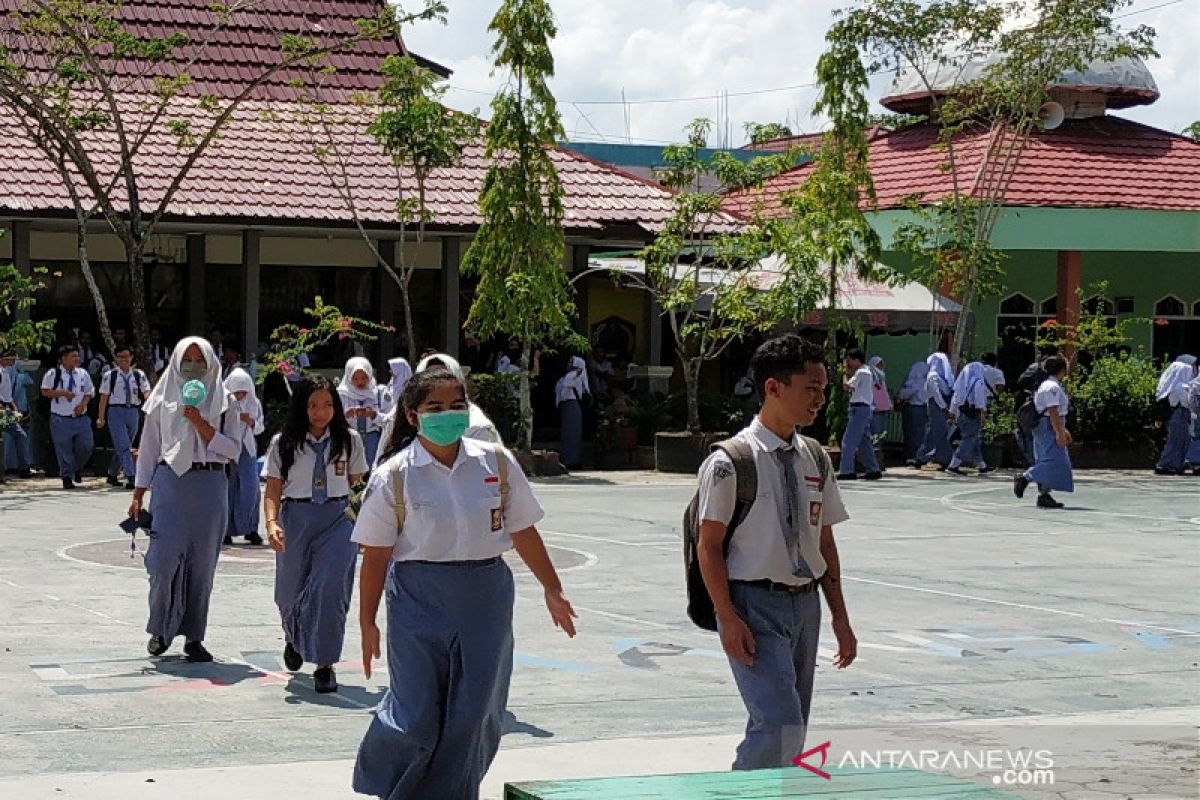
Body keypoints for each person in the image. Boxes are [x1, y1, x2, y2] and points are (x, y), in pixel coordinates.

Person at [350, 367, 577, 798]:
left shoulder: (495, 462)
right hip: (417, 595)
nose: (447, 414)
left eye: (456, 405)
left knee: (475, 713)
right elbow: (376, 554)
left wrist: (553, 588)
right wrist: (367, 622)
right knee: (415, 714)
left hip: (484, 595)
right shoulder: (394, 475)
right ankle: (387, 781)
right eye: (434, 407)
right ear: (413, 416)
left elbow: (524, 530)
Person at [695, 334, 856, 770]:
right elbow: (707, 545)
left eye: (824, 389)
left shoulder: (815, 458)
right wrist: (726, 616)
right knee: (777, 724)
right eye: (811, 388)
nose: (820, 399)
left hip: (805, 606)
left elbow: (823, 541)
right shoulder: (732, 461)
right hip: (753, 604)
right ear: (772, 388)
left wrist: (840, 617)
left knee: (794, 728)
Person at [128, 337, 244, 662]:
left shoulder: (226, 403)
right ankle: (160, 628)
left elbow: (233, 449)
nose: (193, 367)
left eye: (200, 361)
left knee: (202, 565)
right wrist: (139, 493)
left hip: (209, 484)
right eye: (187, 360)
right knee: (163, 561)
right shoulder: (161, 400)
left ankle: (194, 636)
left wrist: (201, 424)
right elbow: (149, 449)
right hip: (170, 483)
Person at [263, 375, 368, 693]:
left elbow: (359, 485)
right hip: (296, 518)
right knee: (289, 592)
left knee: (330, 589)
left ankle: (325, 663)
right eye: (312, 405)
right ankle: (293, 637)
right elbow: (273, 490)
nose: (320, 412)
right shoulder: (283, 443)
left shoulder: (350, 441)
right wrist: (271, 522)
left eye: (327, 404)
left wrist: (361, 522)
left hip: (339, 519)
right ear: (302, 407)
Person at [374, 353, 500, 466]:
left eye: (444, 375)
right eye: (435, 408)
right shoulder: (400, 419)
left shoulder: (479, 427)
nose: (438, 382)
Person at [1014, 355, 1073, 509]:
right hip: (1048, 426)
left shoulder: (1048, 385)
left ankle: (1044, 495)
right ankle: (1025, 478)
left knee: (1046, 460)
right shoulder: (1051, 387)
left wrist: (1062, 429)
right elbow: (1053, 411)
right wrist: (1059, 432)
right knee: (1055, 462)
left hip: (1048, 425)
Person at [41, 344, 95, 490]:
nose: (76, 359)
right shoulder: (54, 373)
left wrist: (83, 404)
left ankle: (76, 468)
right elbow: (45, 391)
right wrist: (63, 393)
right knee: (64, 450)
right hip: (61, 417)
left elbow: (89, 392)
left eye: (77, 356)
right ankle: (67, 476)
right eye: (73, 356)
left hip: (80, 417)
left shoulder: (83, 374)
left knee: (86, 446)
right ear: (63, 359)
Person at [97, 345, 150, 489]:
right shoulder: (111, 375)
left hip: (133, 411)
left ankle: (112, 474)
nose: (123, 360)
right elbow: (104, 397)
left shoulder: (138, 374)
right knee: (124, 446)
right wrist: (100, 417)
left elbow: (146, 392)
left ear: (131, 358)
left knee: (123, 445)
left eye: (126, 357)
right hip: (116, 411)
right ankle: (131, 475)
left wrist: (149, 407)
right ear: (115, 359)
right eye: (120, 357)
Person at [224, 368, 265, 546]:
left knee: (250, 488)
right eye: (237, 392)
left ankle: (250, 528)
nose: (240, 395)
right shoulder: (224, 402)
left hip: (247, 449)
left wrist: (250, 422)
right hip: (228, 448)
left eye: (243, 392)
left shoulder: (254, 403)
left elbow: (260, 427)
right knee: (228, 489)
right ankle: (226, 530)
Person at [836, 348, 881, 481]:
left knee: (848, 440)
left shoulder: (861, 372)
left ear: (856, 360)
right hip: (865, 408)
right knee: (864, 441)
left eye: (850, 360)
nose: (848, 363)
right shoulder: (868, 371)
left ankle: (847, 470)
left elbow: (847, 386)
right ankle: (873, 468)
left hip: (858, 408)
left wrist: (845, 374)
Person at [946, 360, 992, 475]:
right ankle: (953, 465)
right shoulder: (978, 382)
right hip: (972, 414)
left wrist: (952, 414)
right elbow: (980, 400)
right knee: (969, 439)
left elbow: (955, 400)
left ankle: (982, 465)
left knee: (974, 439)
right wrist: (983, 414)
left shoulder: (961, 384)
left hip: (962, 413)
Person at [1154, 355, 1197, 476]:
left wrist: (1160, 418)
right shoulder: (1181, 386)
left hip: (1177, 414)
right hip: (1181, 414)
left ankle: (1176, 464)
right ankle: (1166, 465)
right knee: (1178, 440)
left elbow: (1161, 400)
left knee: (1179, 440)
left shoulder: (1169, 383)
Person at [1016, 344, 1058, 467]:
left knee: (1026, 436)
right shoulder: (1057, 369)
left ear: (1044, 354)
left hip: (1034, 408)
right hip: (1051, 409)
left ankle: (1036, 466)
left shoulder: (1036, 367)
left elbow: (1021, 381)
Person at [338, 357, 384, 466]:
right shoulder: (341, 394)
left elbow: (388, 420)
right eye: (356, 378)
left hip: (371, 438)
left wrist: (373, 415)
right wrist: (345, 415)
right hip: (350, 437)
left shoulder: (377, 393)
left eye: (364, 378)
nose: (360, 382)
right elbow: (333, 419)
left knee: (371, 468)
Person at [917, 351, 955, 469]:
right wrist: (944, 407)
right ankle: (944, 458)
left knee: (934, 431)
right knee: (940, 432)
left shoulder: (940, 376)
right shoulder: (933, 376)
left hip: (941, 405)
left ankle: (922, 456)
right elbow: (935, 393)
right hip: (938, 405)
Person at [2, 352, 35, 477]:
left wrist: (14, 409)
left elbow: (8, 396)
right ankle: (22, 467)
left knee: (18, 436)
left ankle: (22, 467)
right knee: (19, 436)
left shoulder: (6, 372)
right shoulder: (14, 374)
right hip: (9, 407)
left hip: (10, 408)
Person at [555, 355, 590, 470]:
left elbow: (567, 384)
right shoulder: (566, 376)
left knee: (573, 435)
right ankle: (566, 460)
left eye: (572, 363)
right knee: (567, 435)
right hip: (566, 406)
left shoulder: (576, 377)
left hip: (572, 405)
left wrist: (578, 371)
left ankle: (573, 461)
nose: (569, 364)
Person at [897, 359, 929, 466]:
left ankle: (911, 455)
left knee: (910, 433)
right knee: (919, 433)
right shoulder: (926, 382)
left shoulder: (914, 381)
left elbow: (903, 394)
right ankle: (918, 455)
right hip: (922, 409)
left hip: (912, 408)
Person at [867, 356, 893, 438]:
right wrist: (873, 408)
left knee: (880, 435)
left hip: (881, 411)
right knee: (873, 436)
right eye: (878, 366)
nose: (880, 368)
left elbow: (884, 394)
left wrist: (889, 405)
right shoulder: (868, 378)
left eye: (881, 366)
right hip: (872, 412)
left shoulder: (881, 380)